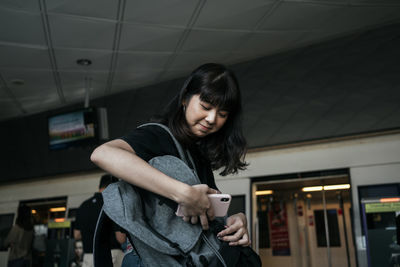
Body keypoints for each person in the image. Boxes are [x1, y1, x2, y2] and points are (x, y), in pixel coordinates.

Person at [90, 63, 250, 255]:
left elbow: (207, 213)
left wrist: (236, 219)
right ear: (184, 99)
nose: (211, 119)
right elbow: (102, 154)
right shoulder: (158, 135)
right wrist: (183, 193)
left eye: (222, 114)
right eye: (205, 107)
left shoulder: (198, 153)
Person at [74, 174, 124, 267]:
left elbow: (76, 235)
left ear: (99, 186)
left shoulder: (83, 206)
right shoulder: (114, 203)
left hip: (88, 257)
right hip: (111, 255)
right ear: (114, 186)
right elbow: (120, 238)